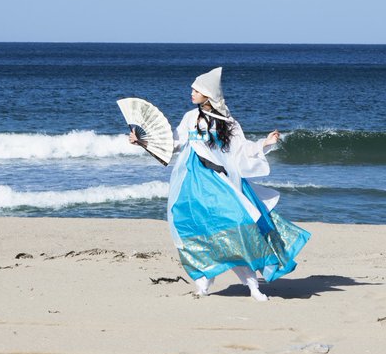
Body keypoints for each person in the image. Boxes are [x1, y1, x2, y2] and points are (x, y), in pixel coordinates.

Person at [131, 67, 309, 300]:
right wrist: (143, 141)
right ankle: (204, 280)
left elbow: (241, 149)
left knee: (235, 225)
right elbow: (174, 143)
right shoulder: (189, 118)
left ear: (208, 94)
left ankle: (252, 284)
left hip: (219, 180)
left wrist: (264, 143)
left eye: (196, 89)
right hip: (192, 181)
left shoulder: (228, 122)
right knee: (197, 227)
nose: (191, 92)